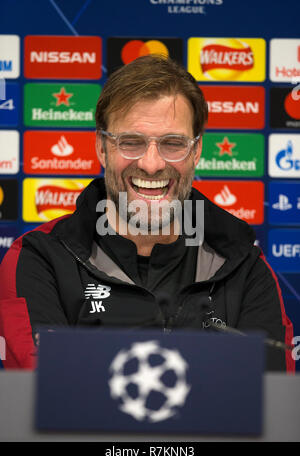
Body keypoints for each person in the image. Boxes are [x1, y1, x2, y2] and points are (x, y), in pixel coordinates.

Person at [0, 55, 294, 372]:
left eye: (172, 143)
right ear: (101, 147)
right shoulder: (39, 259)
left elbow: (269, 404)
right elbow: (46, 395)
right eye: (131, 142)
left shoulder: (244, 265)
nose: (151, 164)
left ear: (196, 151)